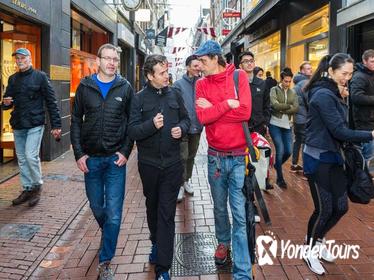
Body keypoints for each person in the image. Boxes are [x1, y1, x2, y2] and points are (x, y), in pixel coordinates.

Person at [302, 53, 374, 275]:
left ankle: (317, 239)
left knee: (341, 206)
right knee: (324, 209)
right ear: (331, 72)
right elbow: (339, 130)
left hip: (334, 156)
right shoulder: (323, 95)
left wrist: (343, 96)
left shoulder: (335, 92)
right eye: (344, 74)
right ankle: (309, 250)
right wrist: (371, 134)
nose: (348, 78)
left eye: (350, 74)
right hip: (317, 158)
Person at [70, 43, 134, 280]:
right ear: (98, 61)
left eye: (114, 59)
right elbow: (76, 120)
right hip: (91, 160)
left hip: (115, 160)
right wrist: (78, 153)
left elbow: (131, 122)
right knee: (97, 207)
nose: (111, 63)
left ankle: (105, 261)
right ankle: (108, 233)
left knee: (114, 214)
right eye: (107, 58)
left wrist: (126, 151)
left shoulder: (125, 87)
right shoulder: (85, 87)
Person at [128, 54, 190, 280]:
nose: (167, 76)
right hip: (149, 166)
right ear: (149, 75)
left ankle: (163, 268)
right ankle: (156, 242)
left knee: (166, 213)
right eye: (162, 73)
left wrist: (181, 129)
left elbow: (186, 120)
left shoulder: (175, 94)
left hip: (173, 165)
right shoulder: (138, 99)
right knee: (153, 208)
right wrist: (151, 125)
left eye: (167, 71)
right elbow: (133, 131)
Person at [194, 40, 253, 279]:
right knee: (219, 208)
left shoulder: (239, 77)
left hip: (239, 157)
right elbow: (202, 118)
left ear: (216, 58)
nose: (200, 66)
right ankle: (223, 242)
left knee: (239, 214)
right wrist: (228, 105)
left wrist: (215, 108)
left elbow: (245, 112)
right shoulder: (200, 84)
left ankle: (242, 272)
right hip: (215, 159)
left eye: (203, 61)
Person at [2, 48, 61, 207]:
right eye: (17, 58)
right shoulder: (13, 79)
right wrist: (5, 103)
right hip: (19, 124)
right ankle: (27, 188)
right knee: (22, 158)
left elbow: (51, 102)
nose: (19, 61)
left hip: (35, 123)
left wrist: (56, 125)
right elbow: (7, 103)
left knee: (30, 155)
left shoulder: (40, 77)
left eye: (22, 58)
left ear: (29, 59)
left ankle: (36, 186)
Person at [239, 51, 273, 195]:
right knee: (243, 164)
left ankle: (255, 192)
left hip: (258, 129)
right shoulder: (237, 82)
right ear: (240, 65)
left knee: (257, 162)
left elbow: (267, 105)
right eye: (246, 61)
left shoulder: (262, 83)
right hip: (241, 129)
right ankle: (248, 198)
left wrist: (265, 122)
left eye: (251, 60)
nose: (249, 63)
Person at [173, 55, 203, 202]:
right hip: (183, 126)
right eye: (195, 66)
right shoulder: (178, 85)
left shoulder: (203, 83)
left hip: (197, 127)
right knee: (182, 156)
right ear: (188, 67)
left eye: (200, 65)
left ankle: (186, 181)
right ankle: (179, 184)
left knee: (191, 156)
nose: (199, 68)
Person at [269, 67, 298, 188]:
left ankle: (277, 165)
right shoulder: (274, 90)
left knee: (289, 151)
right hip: (275, 124)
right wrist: (288, 106)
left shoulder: (293, 92)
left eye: (289, 81)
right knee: (280, 150)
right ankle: (280, 178)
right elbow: (274, 105)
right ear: (281, 80)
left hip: (287, 126)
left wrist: (282, 107)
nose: (287, 83)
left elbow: (296, 108)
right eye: (285, 81)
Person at [350, 49, 374, 163]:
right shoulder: (359, 76)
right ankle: (365, 180)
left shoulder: (371, 74)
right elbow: (356, 97)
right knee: (369, 157)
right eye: (372, 61)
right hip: (365, 123)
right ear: (364, 61)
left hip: (370, 121)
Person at [291, 61, 313, 173]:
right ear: (302, 70)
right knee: (306, 143)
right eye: (308, 68)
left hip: (297, 119)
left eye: (311, 68)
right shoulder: (305, 83)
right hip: (304, 118)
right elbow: (310, 102)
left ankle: (294, 164)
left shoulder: (296, 83)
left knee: (298, 140)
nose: (311, 70)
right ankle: (306, 169)